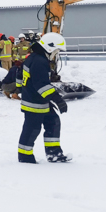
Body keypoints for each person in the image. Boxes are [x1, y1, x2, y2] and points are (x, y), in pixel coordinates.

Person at [16, 32, 71, 164]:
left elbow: (19, 74)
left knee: (53, 122)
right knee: (32, 129)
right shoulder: (39, 61)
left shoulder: (34, 57)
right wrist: (58, 99)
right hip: (34, 103)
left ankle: (54, 154)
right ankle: (25, 157)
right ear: (50, 47)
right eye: (56, 50)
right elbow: (41, 85)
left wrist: (20, 88)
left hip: (38, 100)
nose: (56, 54)